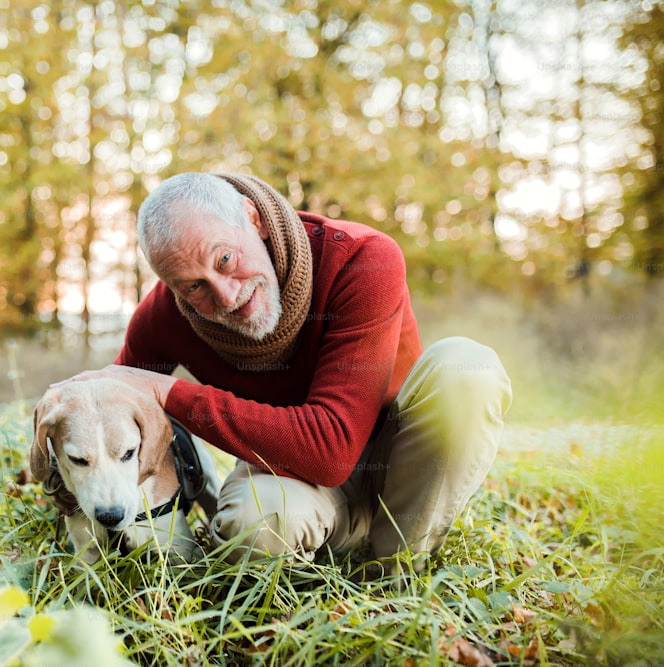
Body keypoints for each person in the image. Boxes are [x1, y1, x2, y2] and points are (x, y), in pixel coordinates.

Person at [63, 172, 512, 575]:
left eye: (223, 260)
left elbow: (332, 449)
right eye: (193, 286)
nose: (225, 294)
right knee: (250, 524)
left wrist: (170, 392)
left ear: (252, 219)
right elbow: (111, 413)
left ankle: (396, 567)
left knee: (465, 368)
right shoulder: (164, 315)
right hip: (297, 482)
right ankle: (331, 548)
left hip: (404, 463)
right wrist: (71, 480)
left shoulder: (362, 259)